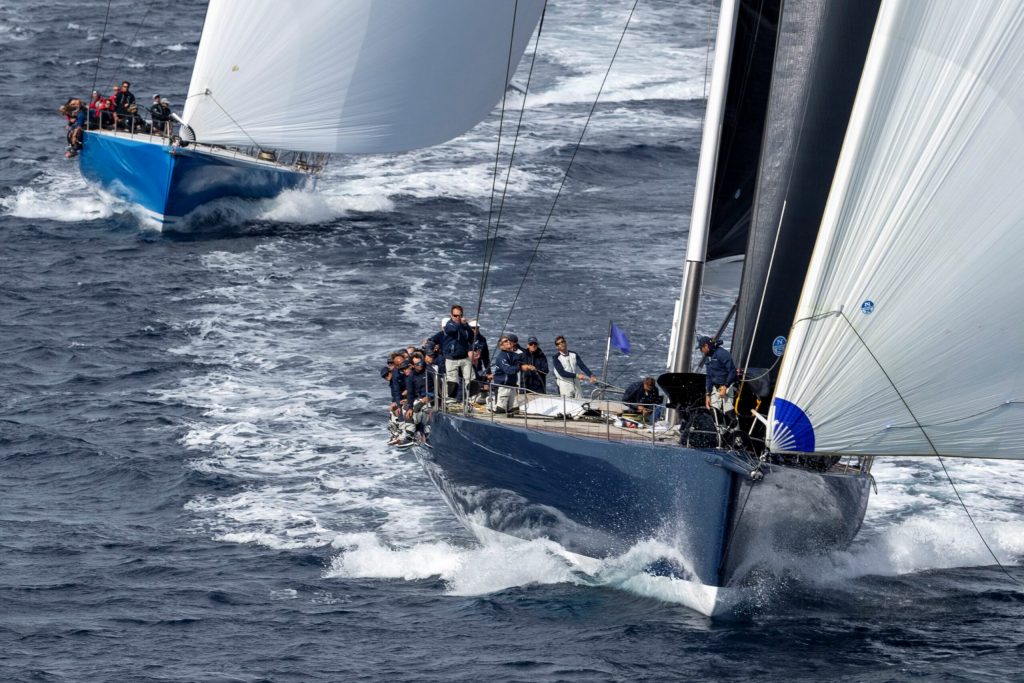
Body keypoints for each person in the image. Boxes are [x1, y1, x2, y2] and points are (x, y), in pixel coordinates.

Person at [491, 335, 535, 413]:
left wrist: (527, 365)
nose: (508, 341)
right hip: (503, 387)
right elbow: (508, 370)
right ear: (501, 346)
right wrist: (521, 367)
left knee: (515, 410)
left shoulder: (513, 355)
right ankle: (491, 404)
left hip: (513, 387)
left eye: (508, 340)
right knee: (501, 410)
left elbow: (522, 358)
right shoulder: (501, 357)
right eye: (505, 341)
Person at [698, 335, 737, 415]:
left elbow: (732, 371)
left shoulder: (722, 354)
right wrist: (708, 394)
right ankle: (718, 427)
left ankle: (734, 426)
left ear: (706, 346)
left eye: (701, 348)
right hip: (716, 388)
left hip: (727, 387)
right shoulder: (708, 357)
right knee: (714, 412)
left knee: (729, 413)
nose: (701, 351)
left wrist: (725, 386)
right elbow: (709, 376)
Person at [442, 305, 473, 403]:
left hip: (464, 356)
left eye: (459, 315)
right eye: (455, 315)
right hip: (452, 357)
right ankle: (451, 398)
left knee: (470, 378)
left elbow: (471, 336)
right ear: (451, 315)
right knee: (452, 380)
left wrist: (466, 325)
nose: (457, 317)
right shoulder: (449, 324)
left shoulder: (463, 325)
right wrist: (460, 324)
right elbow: (453, 330)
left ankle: (472, 397)